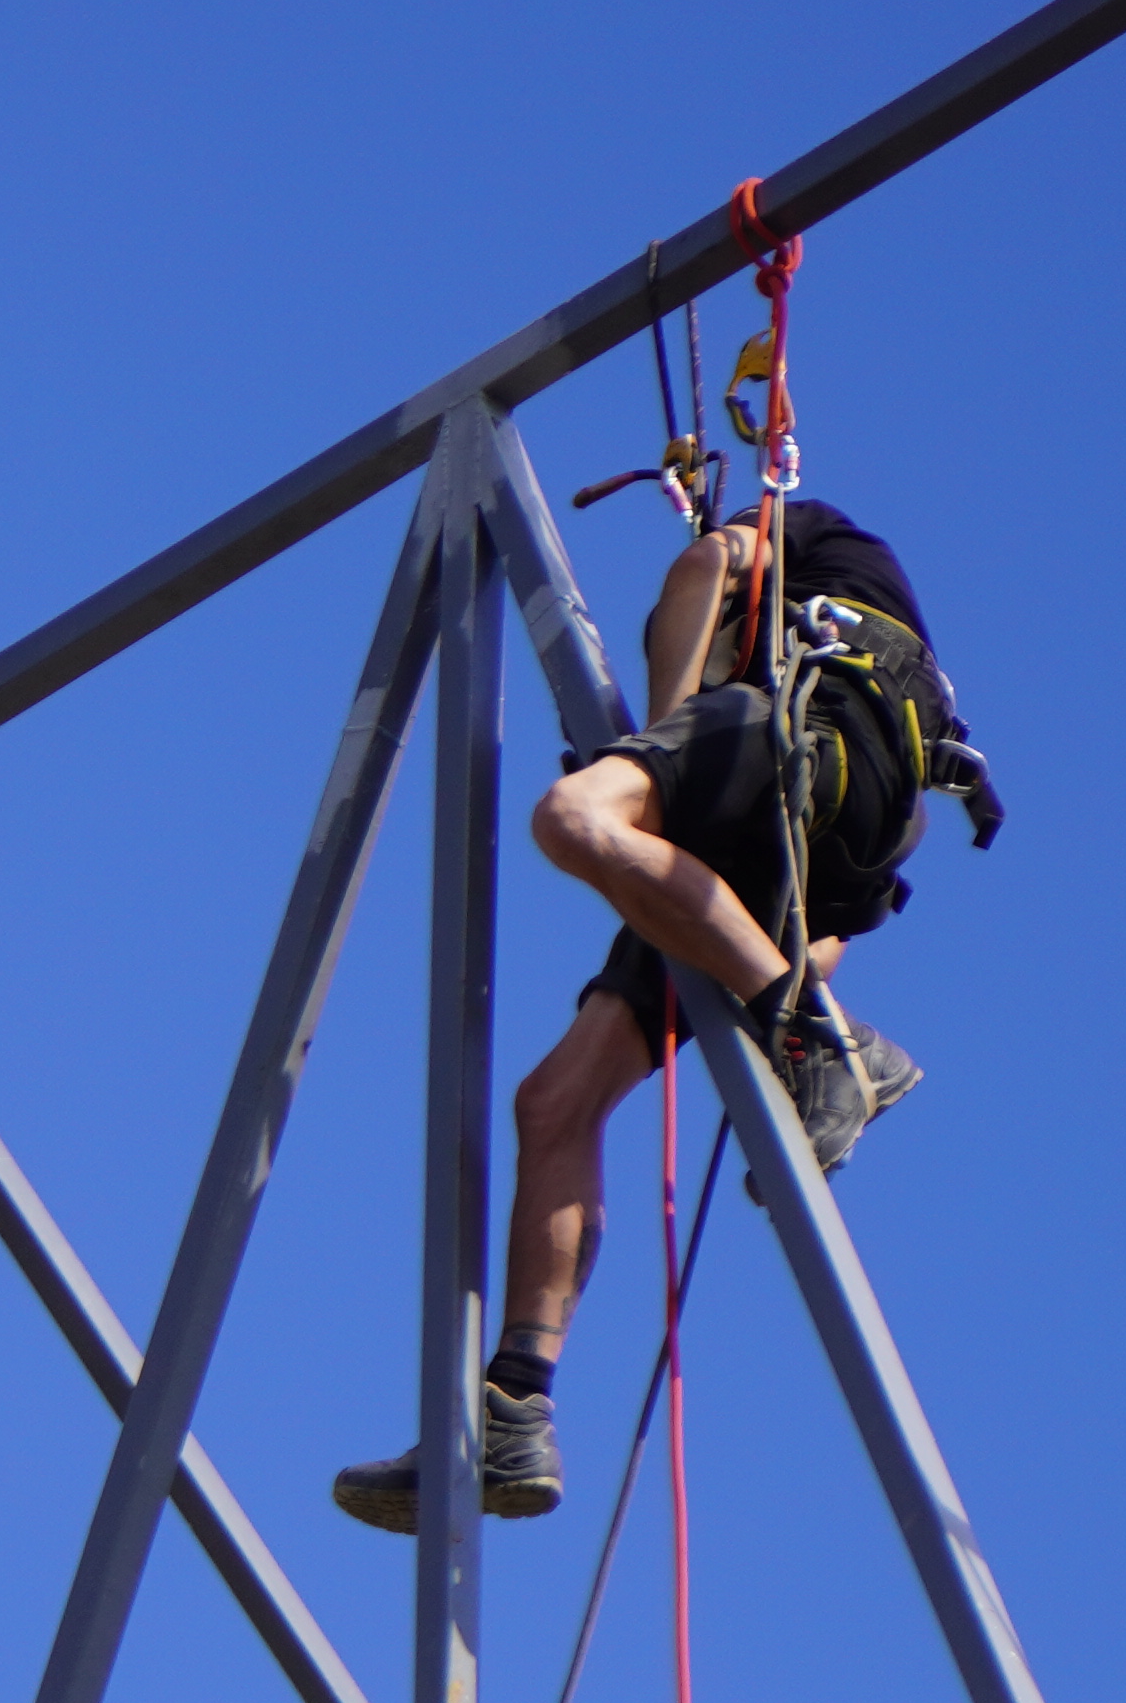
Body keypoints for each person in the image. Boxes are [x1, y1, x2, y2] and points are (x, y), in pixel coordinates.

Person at [340, 491, 977, 1535]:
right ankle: (514, 1404)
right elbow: (819, 925)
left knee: (576, 815)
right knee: (556, 1102)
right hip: (824, 854)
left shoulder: (807, 538)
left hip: (814, 751)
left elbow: (703, 572)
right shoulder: (886, 696)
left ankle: (821, 1040)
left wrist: (658, 736)